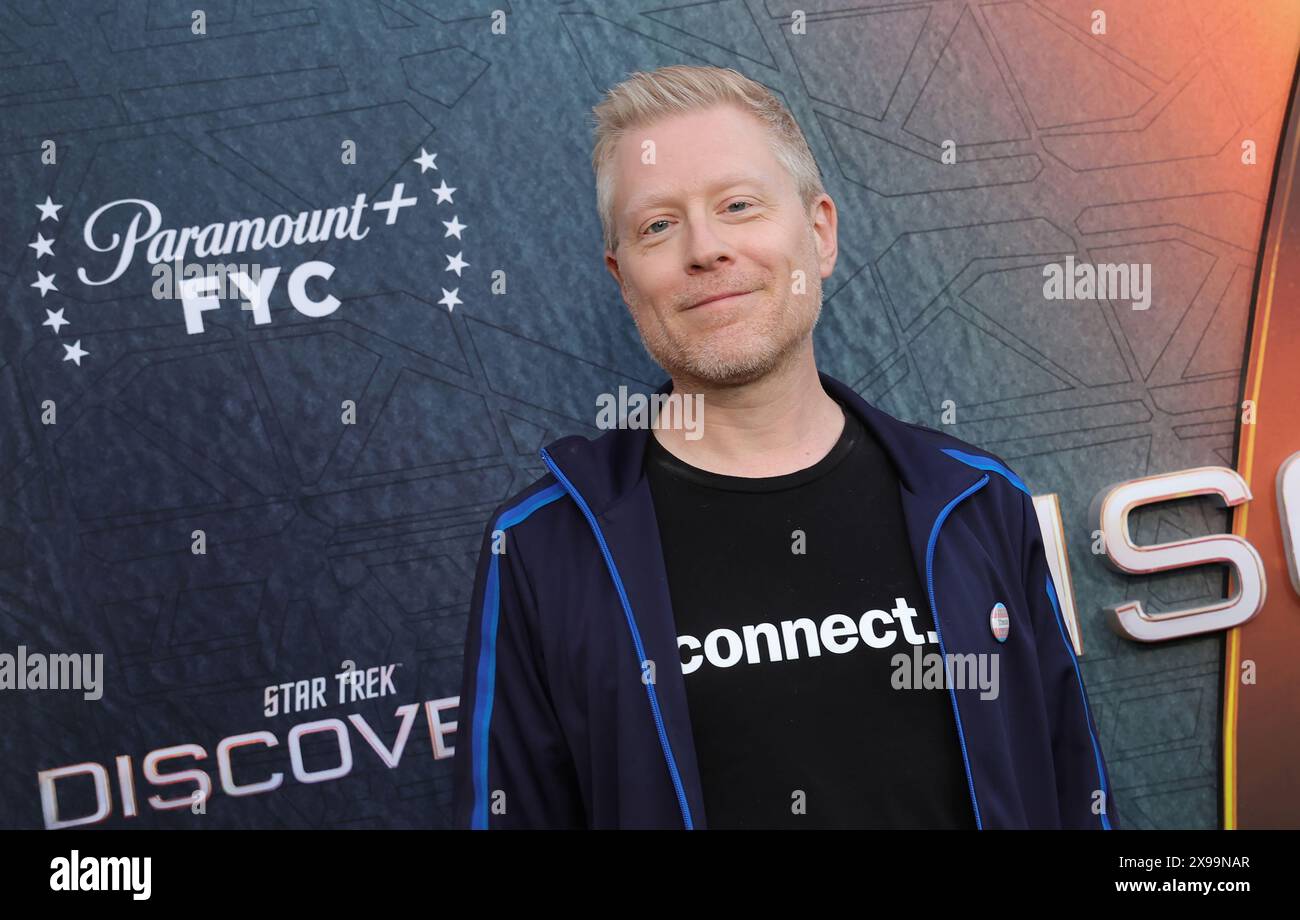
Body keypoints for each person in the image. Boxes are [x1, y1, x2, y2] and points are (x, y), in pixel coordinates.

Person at [452, 64, 1116, 829]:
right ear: (623, 277)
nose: (705, 249)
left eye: (738, 205)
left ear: (821, 233)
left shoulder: (975, 500)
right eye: (658, 226)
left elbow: (1075, 793)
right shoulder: (542, 549)